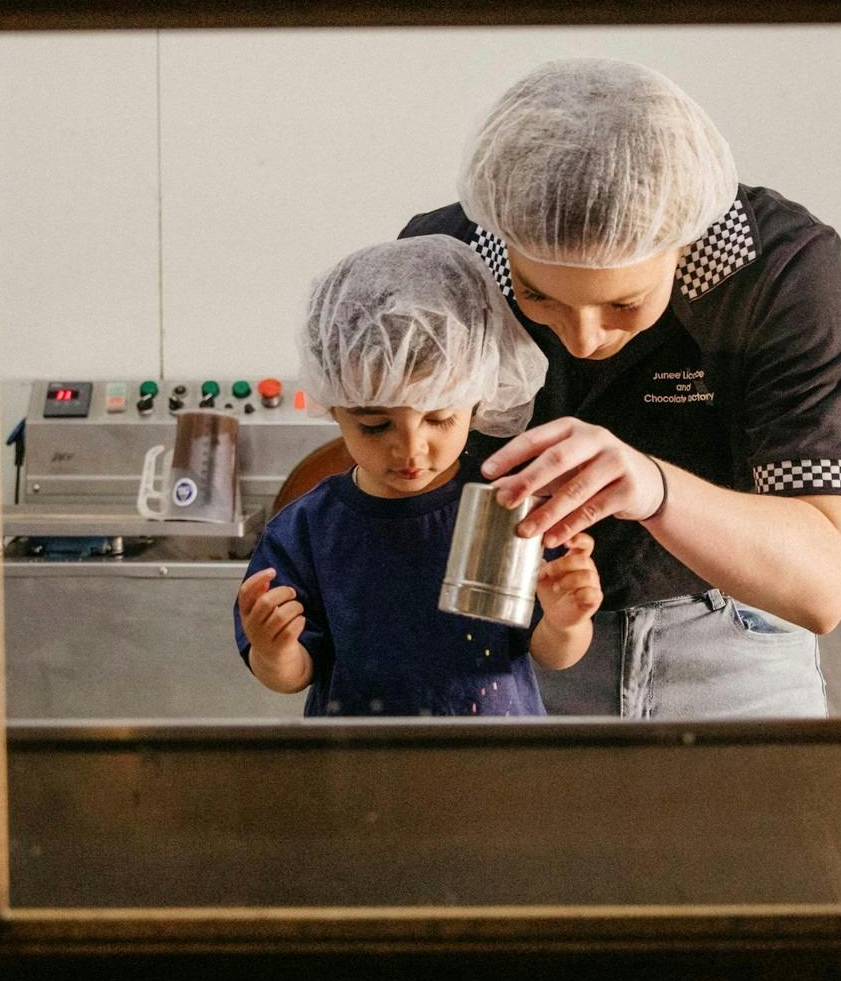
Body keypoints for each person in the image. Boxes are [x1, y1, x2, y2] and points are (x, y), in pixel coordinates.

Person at [402, 59, 841, 718]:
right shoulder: (449, 259)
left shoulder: (779, 274)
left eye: (622, 304)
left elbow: (821, 585)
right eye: (537, 295)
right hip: (508, 647)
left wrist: (654, 488)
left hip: (732, 645)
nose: (581, 339)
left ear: (683, 247)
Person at [233, 236, 604, 717]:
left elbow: (550, 653)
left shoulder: (508, 510)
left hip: (494, 772)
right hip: (360, 773)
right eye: (374, 425)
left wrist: (567, 620)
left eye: (438, 419)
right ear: (332, 406)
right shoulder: (307, 530)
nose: (410, 448)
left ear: (478, 402)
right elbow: (294, 675)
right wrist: (274, 650)